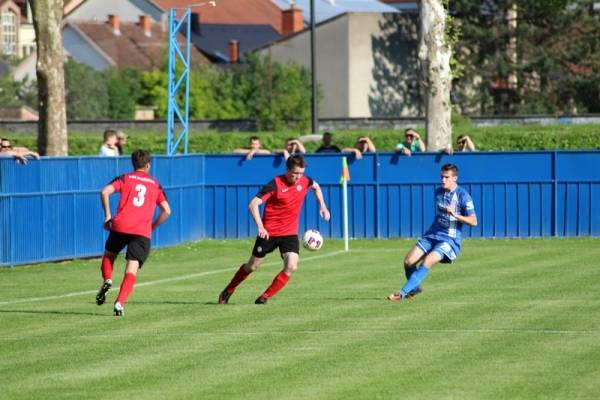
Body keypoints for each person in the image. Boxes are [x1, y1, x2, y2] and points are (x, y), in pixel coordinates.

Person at [218, 154, 330, 305]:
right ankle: (229, 290)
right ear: (287, 169)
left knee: (291, 266)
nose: (298, 177)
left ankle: (264, 297)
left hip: (289, 234)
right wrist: (260, 226)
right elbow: (253, 204)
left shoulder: (305, 181)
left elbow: (316, 186)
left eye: (301, 173)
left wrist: (322, 205)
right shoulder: (275, 184)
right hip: (268, 233)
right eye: (295, 173)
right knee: (252, 266)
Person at [96, 149, 171, 316]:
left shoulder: (125, 178)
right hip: (142, 231)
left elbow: (104, 192)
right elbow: (167, 211)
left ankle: (108, 279)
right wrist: (152, 226)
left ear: (133, 164)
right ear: (148, 165)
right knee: (131, 268)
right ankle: (119, 303)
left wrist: (108, 216)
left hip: (121, 225)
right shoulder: (155, 184)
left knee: (109, 256)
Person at [387, 163, 477, 301]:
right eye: (441, 177)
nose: (443, 180)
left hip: (449, 240)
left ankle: (403, 293)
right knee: (408, 261)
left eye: (446, 177)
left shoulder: (464, 196)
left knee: (427, 261)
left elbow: (474, 221)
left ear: (455, 178)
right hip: (432, 235)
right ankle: (415, 288)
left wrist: (456, 215)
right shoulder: (438, 192)